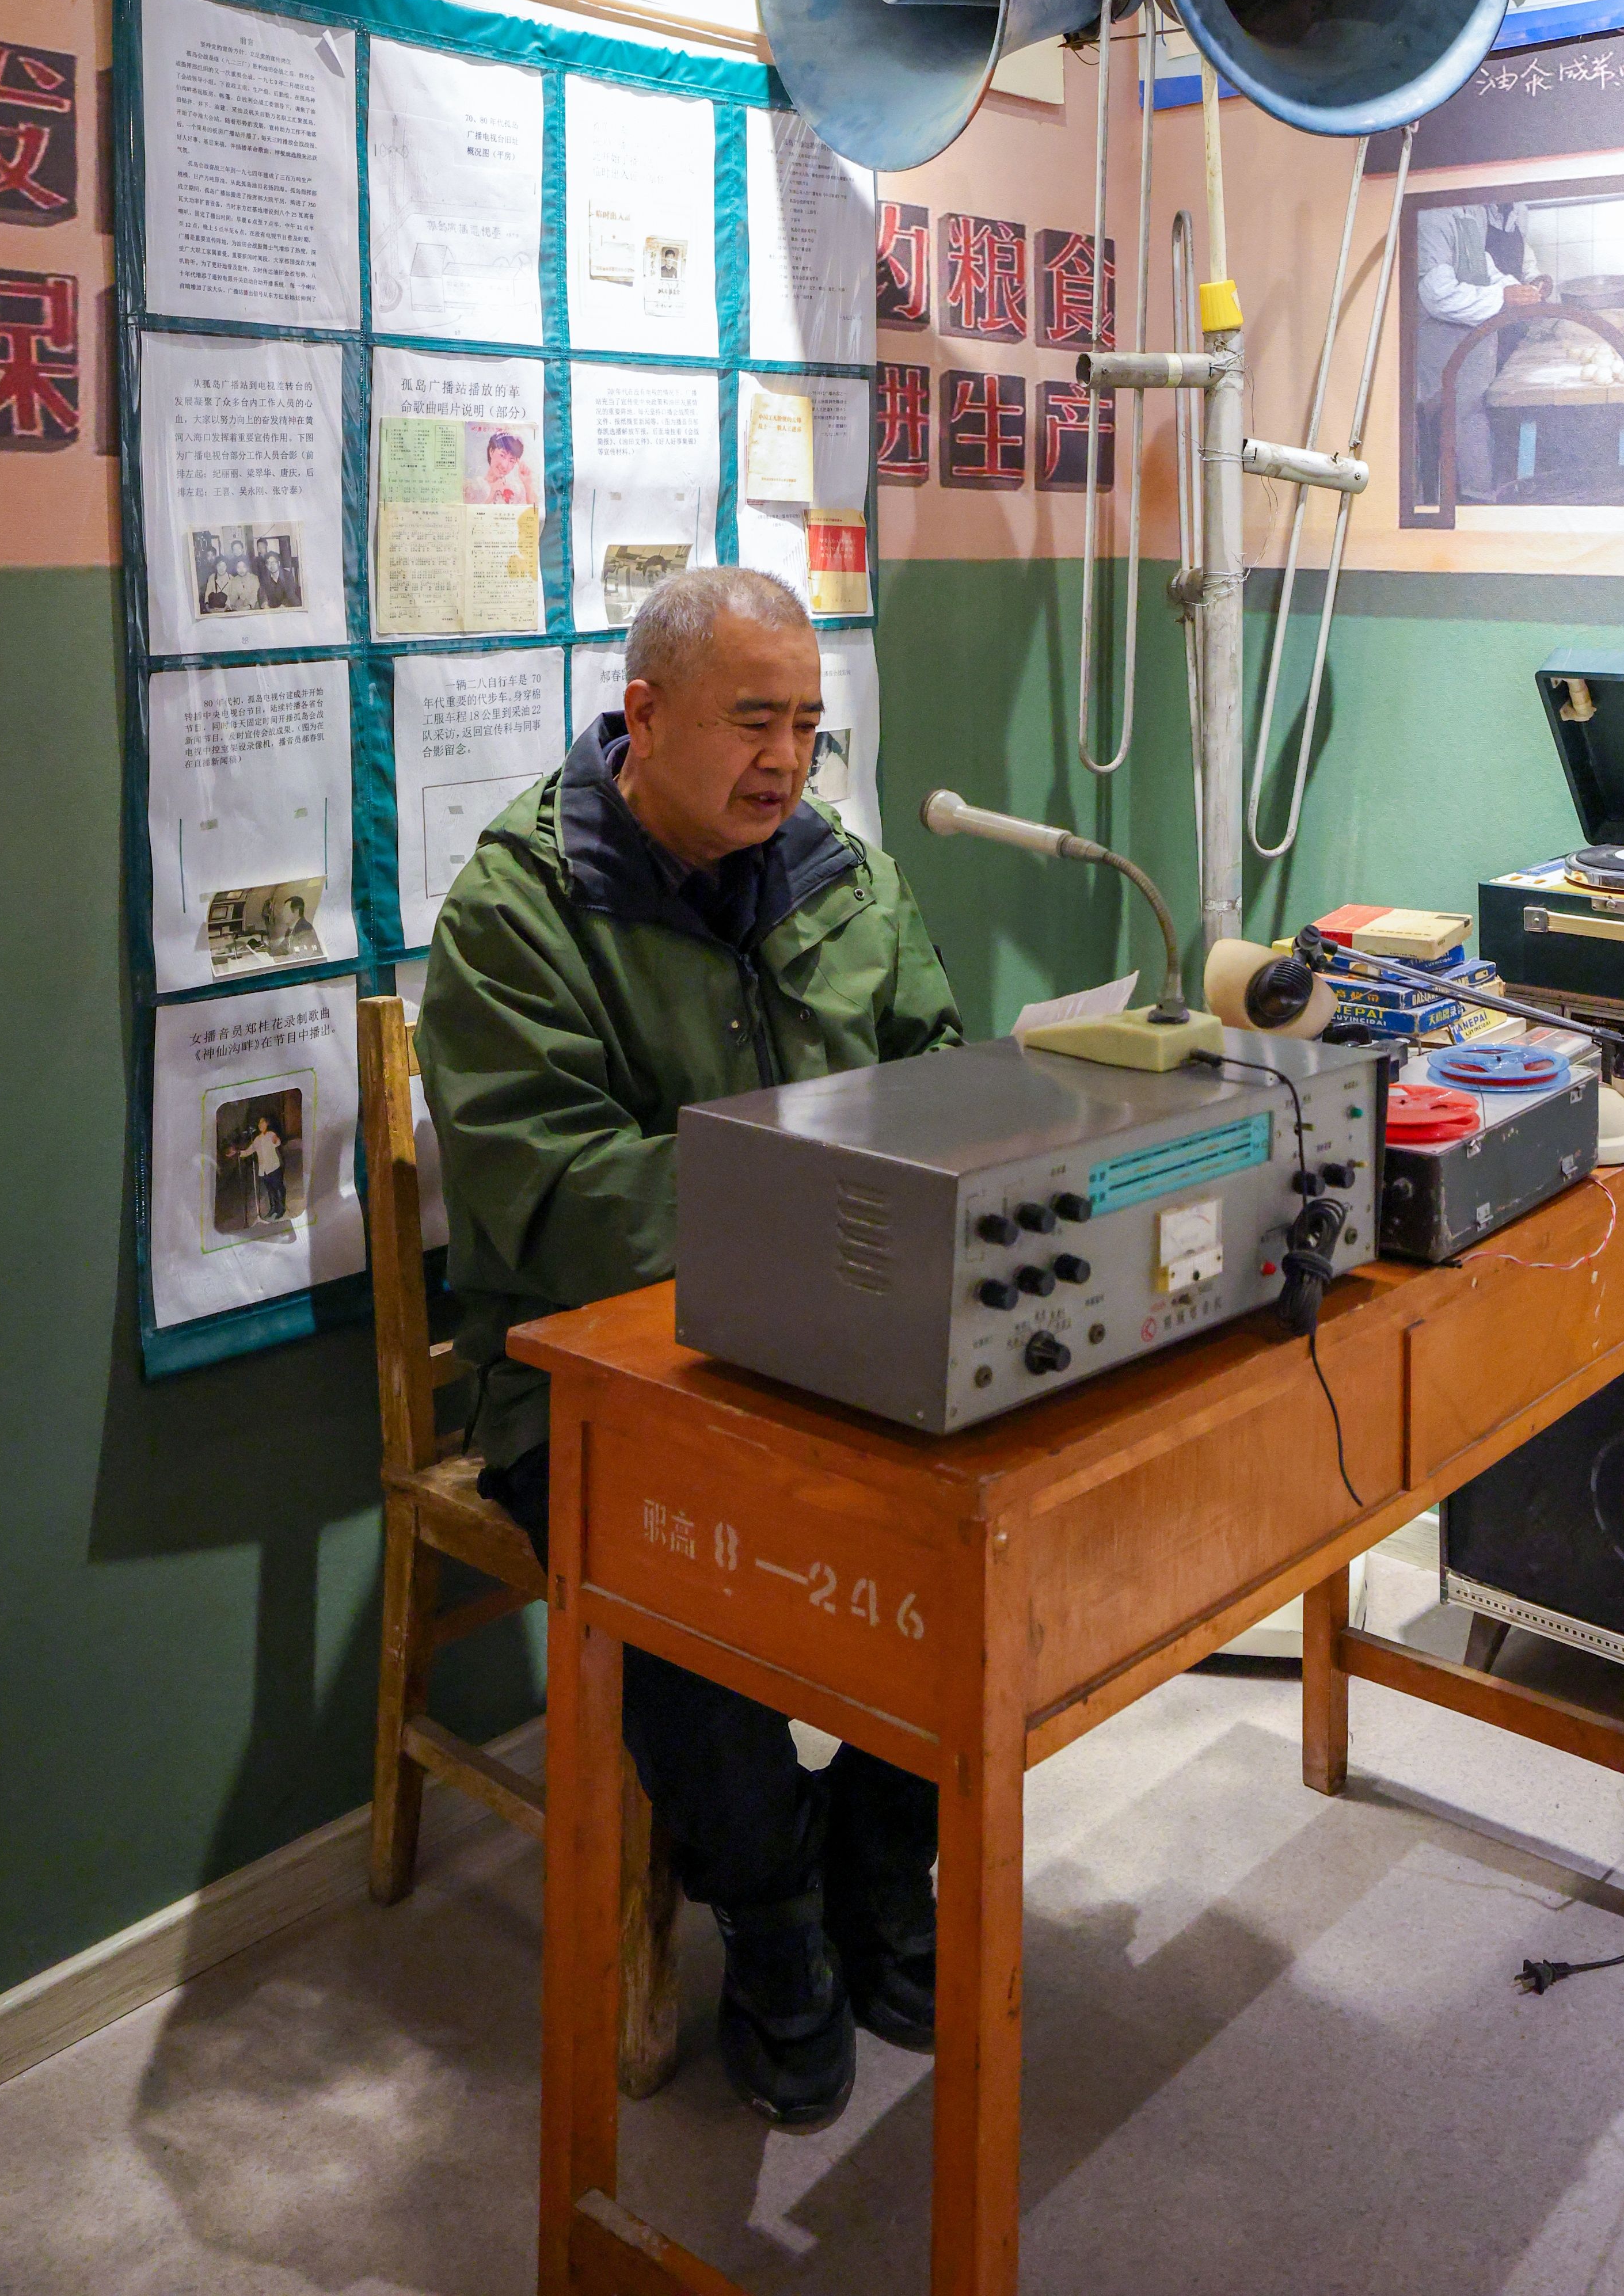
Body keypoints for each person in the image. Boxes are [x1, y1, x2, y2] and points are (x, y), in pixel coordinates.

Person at [417, 563, 962, 2135]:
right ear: (644, 715)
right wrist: (820, 1190)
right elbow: (556, 1197)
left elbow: (940, 1072)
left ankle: (881, 1851)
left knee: (978, 1517)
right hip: (587, 1372)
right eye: (751, 722)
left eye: (806, 723)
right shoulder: (516, 909)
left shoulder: (840, 875)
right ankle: (773, 1914)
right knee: (672, 1563)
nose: (785, 760)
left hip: (829, 1337)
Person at [1413, 199, 1550, 501]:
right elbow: (1437, 295)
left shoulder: (1472, 210)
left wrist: (1515, 288)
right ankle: (1448, 504)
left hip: (1475, 342)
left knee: (1472, 418)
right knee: (1439, 424)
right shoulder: (1433, 217)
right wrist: (1503, 297)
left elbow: (1481, 265)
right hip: (1442, 344)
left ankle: (1479, 499)